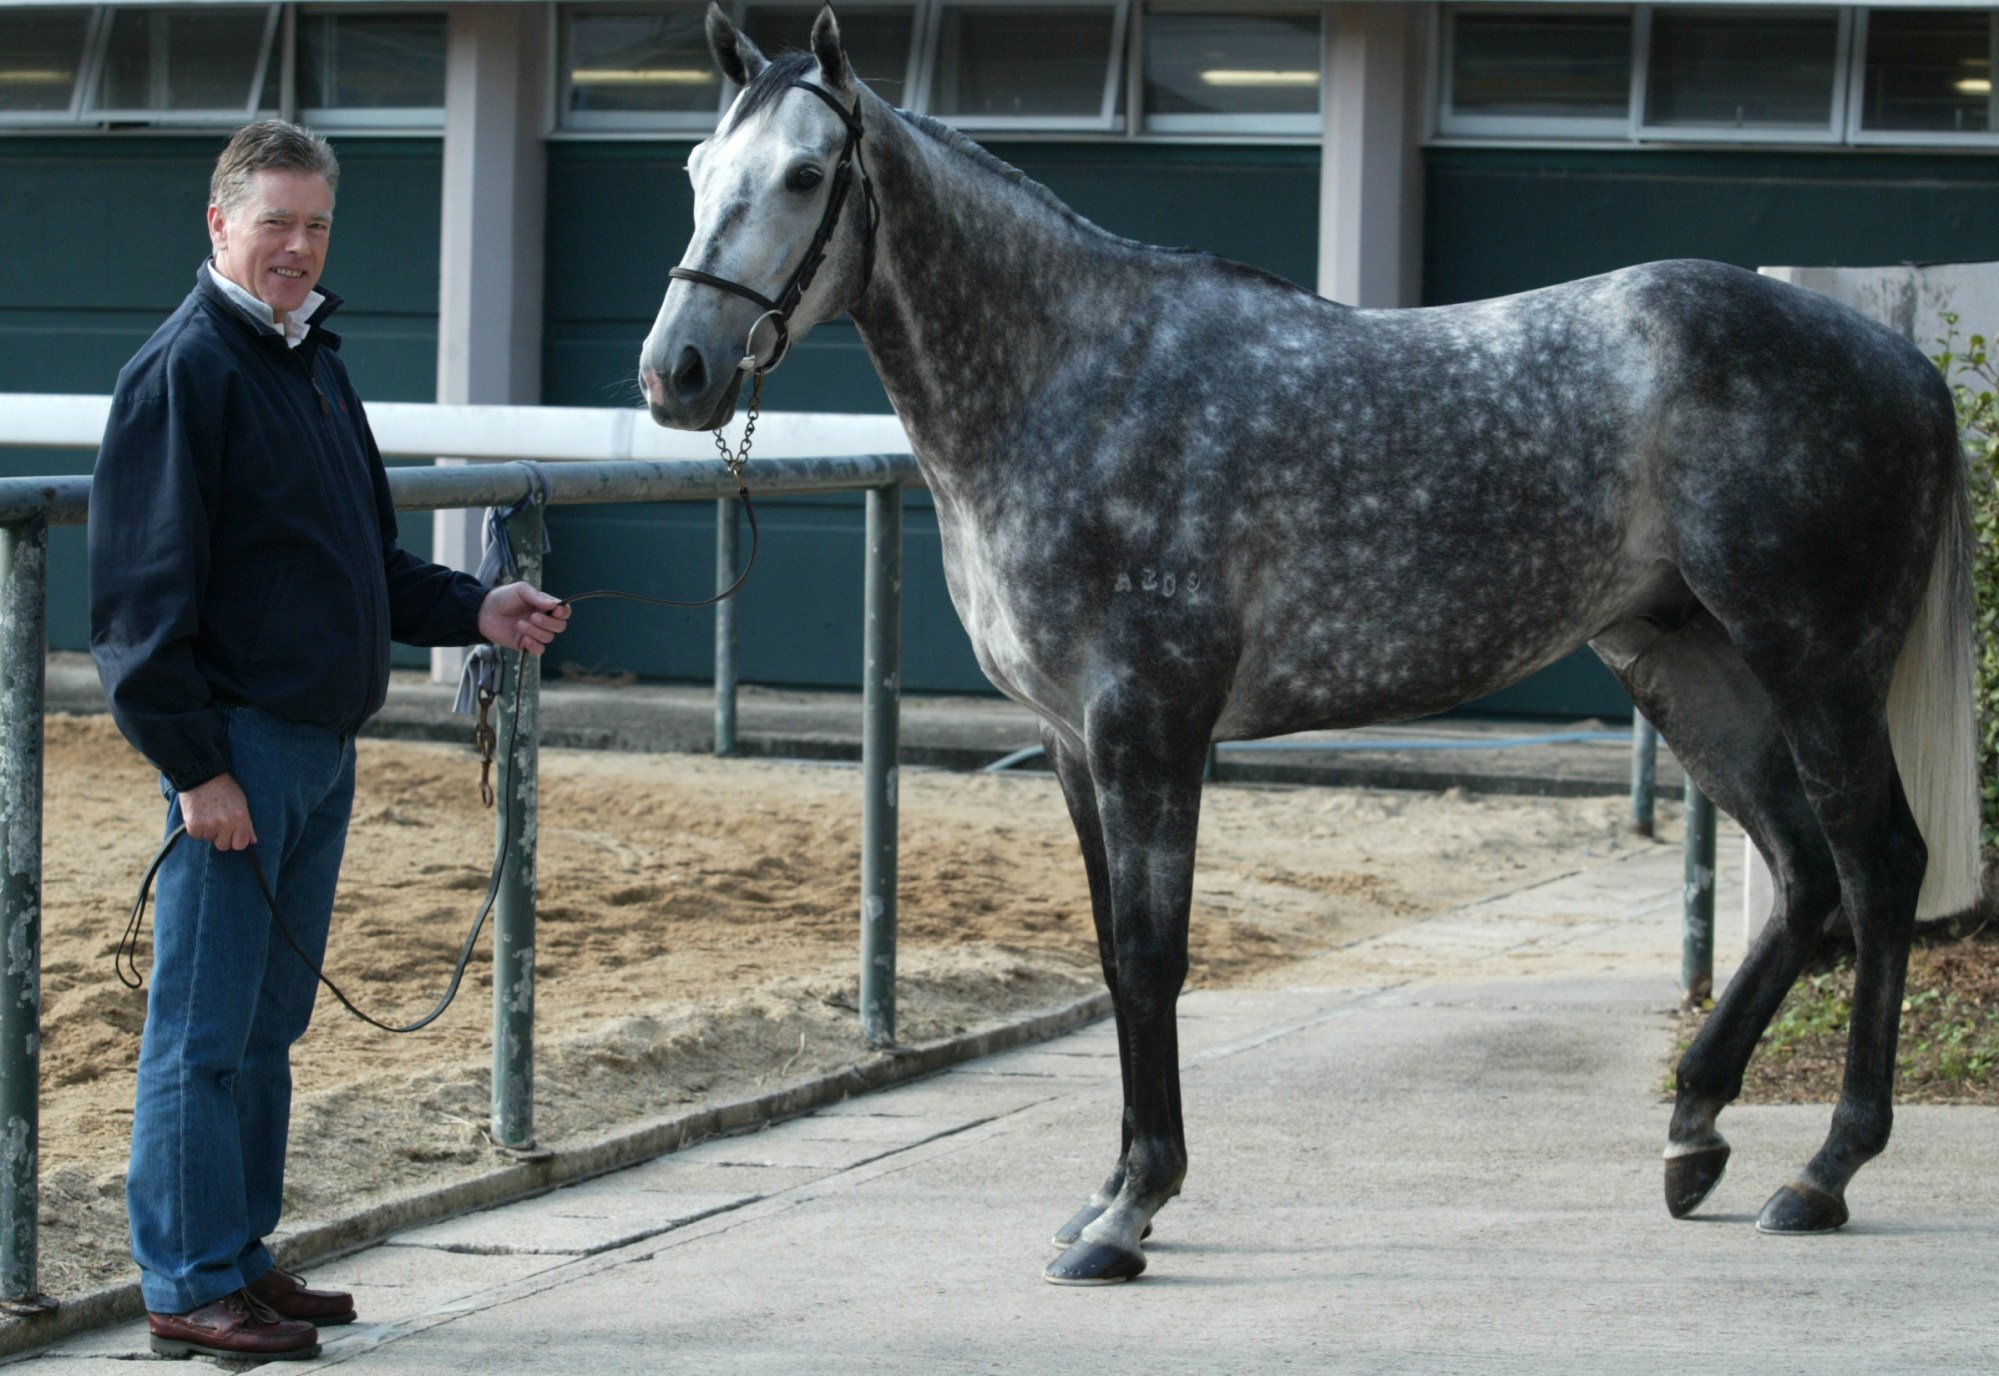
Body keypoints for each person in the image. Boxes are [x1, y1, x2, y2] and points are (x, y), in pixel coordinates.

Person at [88, 120, 570, 1363]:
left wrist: (476, 608)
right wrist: (197, 767)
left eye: (315, 226)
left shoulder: (311, 362)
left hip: (317, 747)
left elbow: (363, 558)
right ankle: (186, 1279)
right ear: (218, 224)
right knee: (200, 1031)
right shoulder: (186, 369)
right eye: (276, 224)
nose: (297, 247)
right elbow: (139, 604)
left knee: (266, 1025)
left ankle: (241, 1255)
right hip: (238, 751)